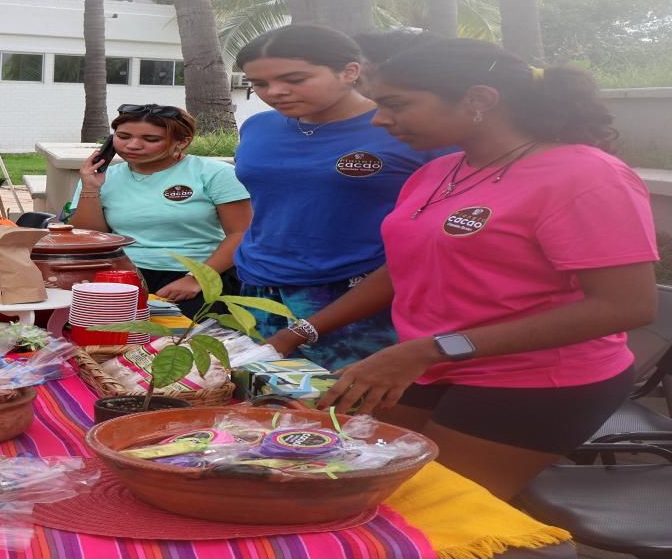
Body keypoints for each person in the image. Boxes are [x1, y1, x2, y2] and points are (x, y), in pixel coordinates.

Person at [267, 38, 658, 500]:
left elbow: (625, 306)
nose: (379, 119)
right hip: (430, 364)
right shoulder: (440, 171)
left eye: (397, 105)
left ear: (479, 99)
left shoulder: (585, 176)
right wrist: (297, 332)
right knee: (345, 479)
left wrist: (430, 349)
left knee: (429, 506)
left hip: (533, 378)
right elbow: (403, 269)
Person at [233, 24, 448, 370]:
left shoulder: (404, 129)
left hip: (361, 294)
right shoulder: (258, 127)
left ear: (349, 71)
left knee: (348, 398)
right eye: (259, 83)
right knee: (260, 393)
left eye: (295, 79)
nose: (275, 92)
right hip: (260, 287)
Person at [69, 104, 252, 317]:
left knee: (183, 334)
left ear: (182, 142)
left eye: (151, 139)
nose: (133, 145)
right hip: (123, 274)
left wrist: (196, 279)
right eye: (123, 136)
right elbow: (89, 237)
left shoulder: (215, 174)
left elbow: (241, 233)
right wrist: (90, 188)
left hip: (198, 272)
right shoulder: (100, 177)